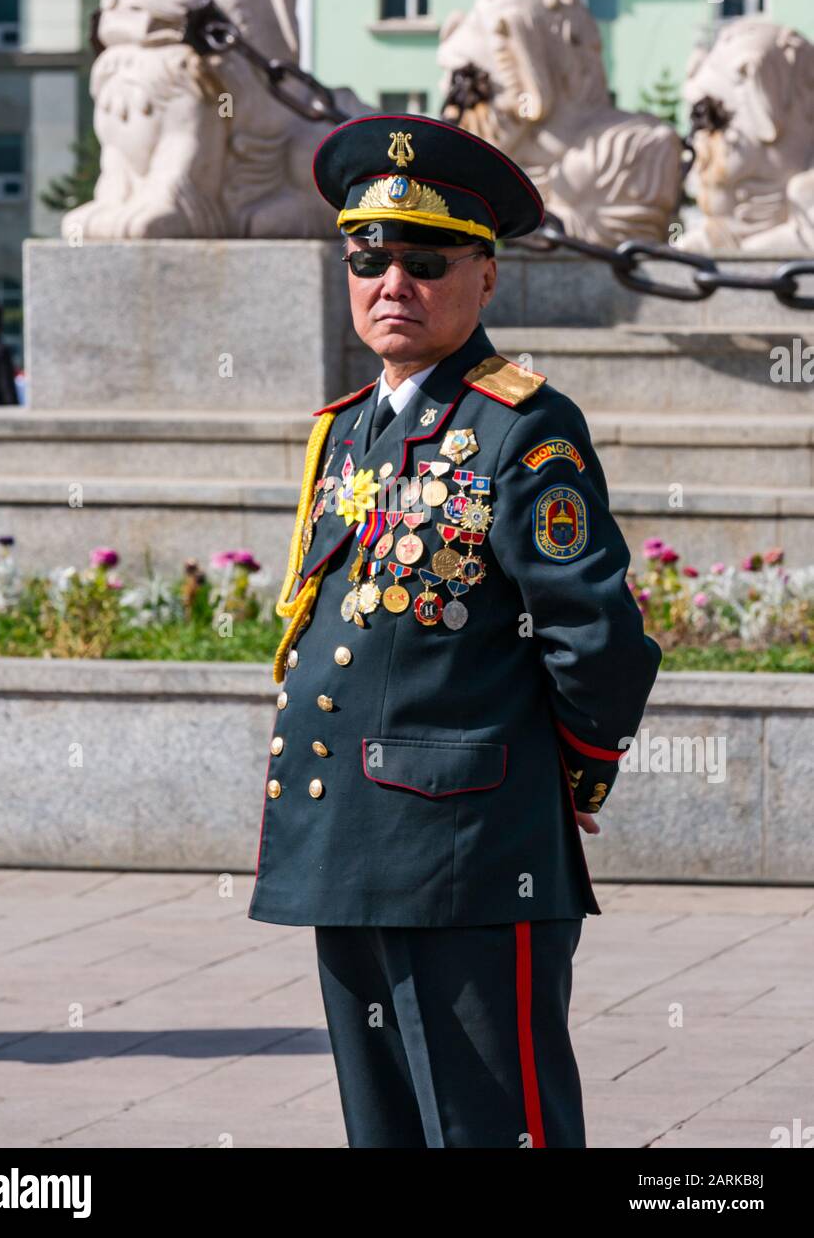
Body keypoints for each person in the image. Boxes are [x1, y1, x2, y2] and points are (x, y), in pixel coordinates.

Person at [247, 112, 661, 1148]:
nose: (392, 283)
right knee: (382, 1125)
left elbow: (596, 633)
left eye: (425, 261)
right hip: (346, 840)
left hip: (472, 850)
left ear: (486, 278)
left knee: (491, 1125)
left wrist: (572, 773)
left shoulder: (521, 427)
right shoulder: (349, 428)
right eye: (368, 258)